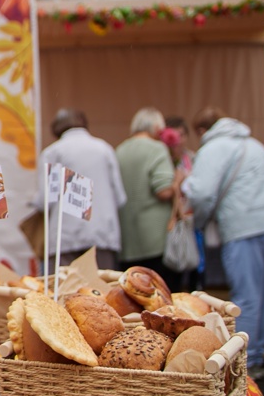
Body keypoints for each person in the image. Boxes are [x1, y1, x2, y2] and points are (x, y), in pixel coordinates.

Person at [184, 107, 264, 373]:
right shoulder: (253, 143)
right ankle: (255, 356)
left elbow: (201, 193)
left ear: (202, 131)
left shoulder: (213, 148)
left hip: (246, 225)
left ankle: (242, 364)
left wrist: (197, 219)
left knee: (246, 298)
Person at [27, 108, 126, 272]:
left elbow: (46, 200)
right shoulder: (104, 149)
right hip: (102, 235)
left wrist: (33, 203)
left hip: (65, 237)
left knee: (63, 293)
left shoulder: (53, 152)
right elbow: (120, 198)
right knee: (102, 292)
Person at [115, 107, 179, 285]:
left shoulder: (120, 150)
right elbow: (163, 191)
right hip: (155, 239)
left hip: (127, 238)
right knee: (160, 293)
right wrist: (178, 182)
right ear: (157, 127)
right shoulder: (157, 149)